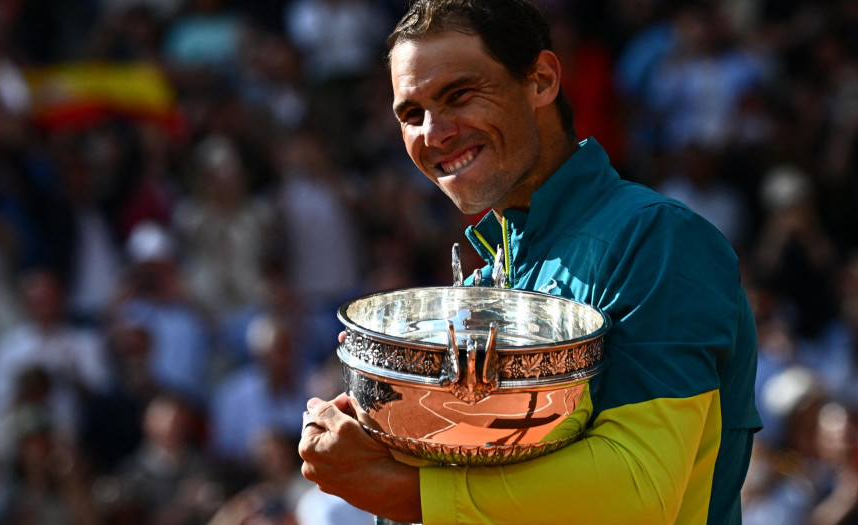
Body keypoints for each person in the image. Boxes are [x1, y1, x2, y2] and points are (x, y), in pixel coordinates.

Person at [297, 1, 761, 524]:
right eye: (412, 114)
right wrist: (375, 426)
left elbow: (641, 488)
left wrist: (403, 492)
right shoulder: (482, 280)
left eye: (459, 95)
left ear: (541, 80)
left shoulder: (658, 238)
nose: (434, 133)